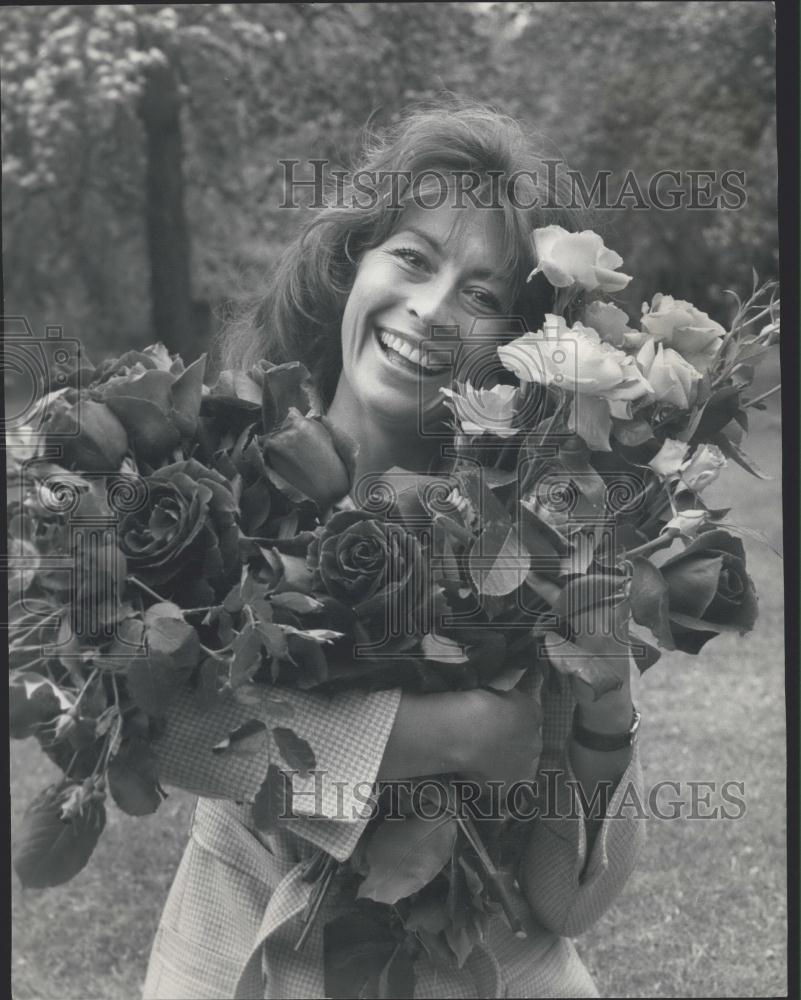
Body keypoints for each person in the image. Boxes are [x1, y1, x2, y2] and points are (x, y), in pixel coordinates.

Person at [143, 101, 646, 1000]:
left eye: (483, 294)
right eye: (412, 258)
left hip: (490, 974)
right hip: (235, 963)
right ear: (350, 265)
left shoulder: (533, 533)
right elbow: (156, 728)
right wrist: (447, 733)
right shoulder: (204, 473)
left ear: (521, 346)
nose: (430, 308)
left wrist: (611, 704)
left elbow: (571, 902)